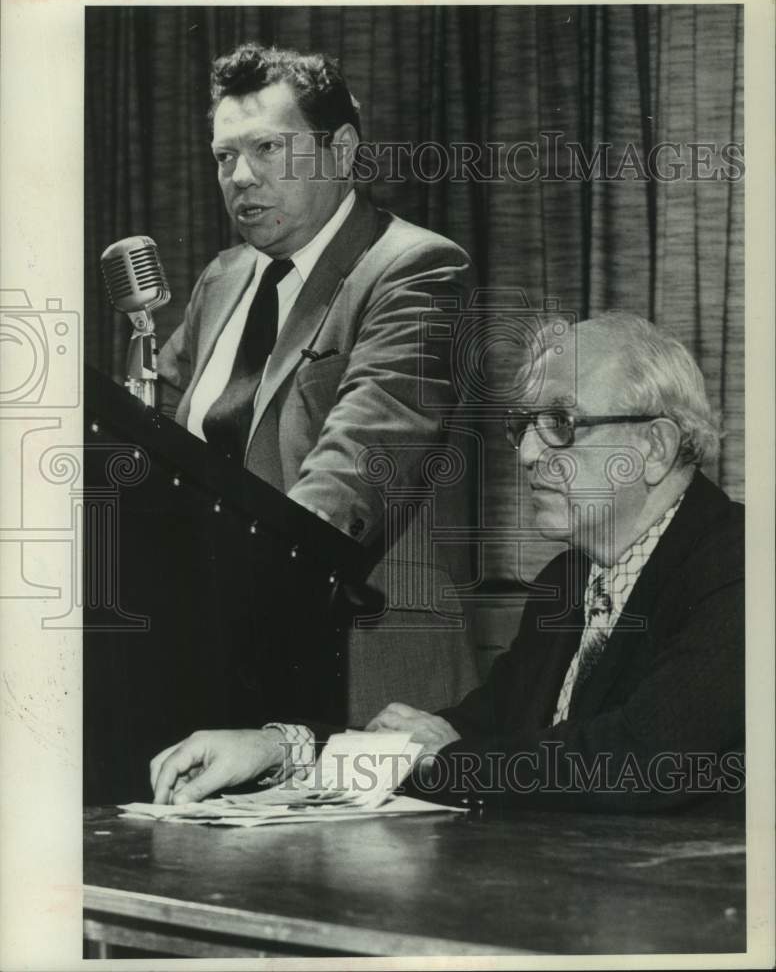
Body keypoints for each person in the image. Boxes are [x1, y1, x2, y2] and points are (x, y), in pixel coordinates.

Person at [151, 313, 745, 813]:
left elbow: (636, 761)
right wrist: (283, 750)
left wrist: (445, 757)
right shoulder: (565, 582)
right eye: (525, 427)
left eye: (561, 425)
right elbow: (475, 730)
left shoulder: (741, 565)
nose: (531, 453)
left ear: (654, 447)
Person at [157, 43, 478, 724]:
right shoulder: (221, 279)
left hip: (359, 658)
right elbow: (162, 442)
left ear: (341, 150)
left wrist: (241, 590)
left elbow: (364, 452)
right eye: (223, 156)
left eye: (268, 148)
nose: (240, 177)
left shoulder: (412, 268)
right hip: (218, 656)